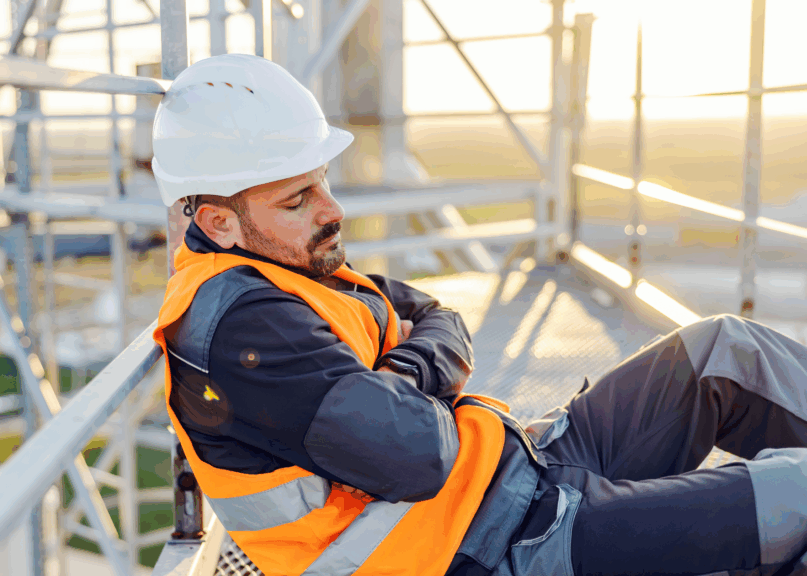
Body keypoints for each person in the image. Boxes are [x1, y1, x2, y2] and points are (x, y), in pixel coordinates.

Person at [151, 53, 807, 576]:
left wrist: (396, 376)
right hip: (494, 548)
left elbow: (442, 319)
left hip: (516, 467)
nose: (331, 209)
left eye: (324, 180)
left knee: (727, 351)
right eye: (298, 198)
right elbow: (416, 452)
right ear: (219, 223)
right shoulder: (243, 332)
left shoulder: (297, 272)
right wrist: (408, 376)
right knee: (794, 497)